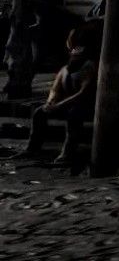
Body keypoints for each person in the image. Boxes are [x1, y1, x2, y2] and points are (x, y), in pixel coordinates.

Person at [5, 24, 97, 166]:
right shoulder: (66, 69)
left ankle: (67, 153)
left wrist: (59, 105)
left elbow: (83, 93)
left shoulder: (89, 67)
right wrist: (51, 102)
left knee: (74, 115)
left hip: (84, 106)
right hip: (65, 104)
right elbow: (55, 89)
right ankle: (32, 148)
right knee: (39, 112)